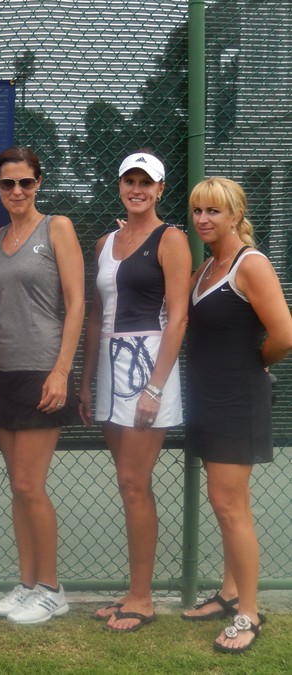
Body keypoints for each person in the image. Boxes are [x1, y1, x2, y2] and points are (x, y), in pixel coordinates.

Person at [78, 151, 192, 631]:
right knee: (128, 484)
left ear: (160, 189)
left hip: (149, 370)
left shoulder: (172, 240)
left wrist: (155, 388)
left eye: (147, 182)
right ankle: (133, 591)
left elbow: (178, 318)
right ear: (121, 185)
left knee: (133, 481)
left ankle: (143, 598)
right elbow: (95, 317)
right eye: (130, 180)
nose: (137, 189)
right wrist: (86, 382)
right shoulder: (105, 242)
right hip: (109, 371)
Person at [180, 178, 292, 653]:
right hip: (206, 398)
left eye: (214, 211)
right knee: (226, 502)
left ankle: (248, 612)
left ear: (236, 214)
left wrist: (254, 365)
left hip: (237, 401)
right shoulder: (207, 267)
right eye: (198, 211)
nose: (203, 219)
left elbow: (284, 335)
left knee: (230, 506)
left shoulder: (252, 264)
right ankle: (229, 593)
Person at [0, 147, 85, 624]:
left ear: (38, 183)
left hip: (43, 370)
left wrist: (61, 371)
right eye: (8, 184)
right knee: (17, 488)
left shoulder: (57, 227)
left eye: (25, 182)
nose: (17, 191)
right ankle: (27, 586)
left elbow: (76, 303)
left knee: (29, 484)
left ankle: (51, 589)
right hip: (3, 373)